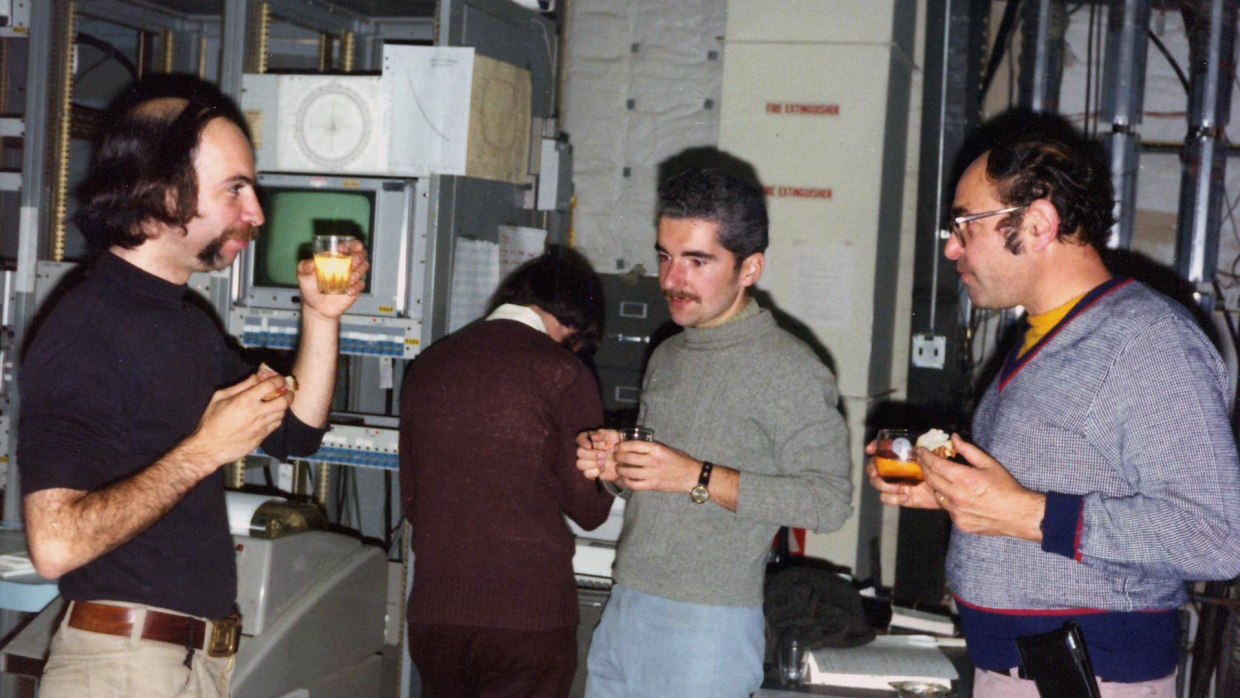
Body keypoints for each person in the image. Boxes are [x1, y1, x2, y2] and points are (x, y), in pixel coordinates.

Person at [17, 81, 368, 698]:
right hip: (122, 667)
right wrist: (206, 450)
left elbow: (299, 431)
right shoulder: (85, 330)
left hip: (185, 662)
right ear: (162, 192)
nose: (256, 213)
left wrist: (322, 317)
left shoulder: (183, 324)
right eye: (235, 189)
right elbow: (55, 544)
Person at [868, 133, 1240, 697]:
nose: (951, 248)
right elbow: (1055, 482)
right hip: (1019, 668)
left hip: (1092, 676)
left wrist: (1024, 514)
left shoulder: (1146, 340)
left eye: (965, 224)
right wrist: (951, 490)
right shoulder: (1041, 334)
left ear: (1037, 223)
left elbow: (1215, 536)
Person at [575, 167, 854, 697]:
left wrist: (694, 476)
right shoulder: (671, 352)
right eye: (665, 255)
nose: (671, 280)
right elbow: (660, 482)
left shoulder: (789, 368)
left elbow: (829, 502)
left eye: (697, 261)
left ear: (750, 268)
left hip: (708, 627)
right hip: (626, 605)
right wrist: (617, 468)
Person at [399, 248, 613, 698]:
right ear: (574, 324)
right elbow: (589, 509)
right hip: (527, 618)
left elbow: (414, 502)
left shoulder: (429, 365)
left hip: (435, 614)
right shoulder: (563, 373)